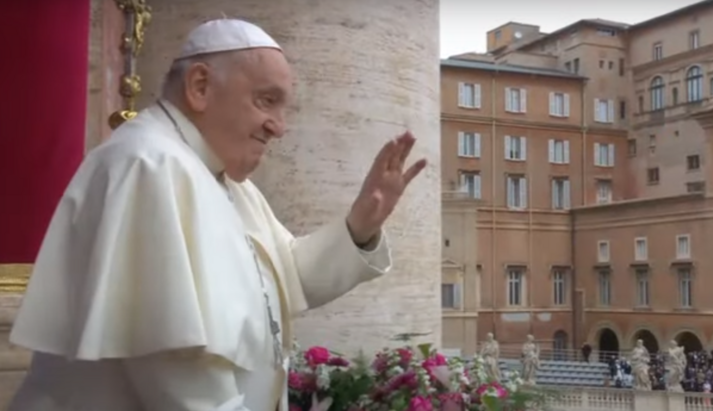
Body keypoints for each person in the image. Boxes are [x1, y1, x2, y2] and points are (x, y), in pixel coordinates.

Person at [7, 19, 427, 411]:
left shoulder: (222, 180)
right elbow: (175, 366)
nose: (278, 127)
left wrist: (360, 226)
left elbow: (287, 278)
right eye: (267, 101)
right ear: (201, 86)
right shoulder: (148, 165)